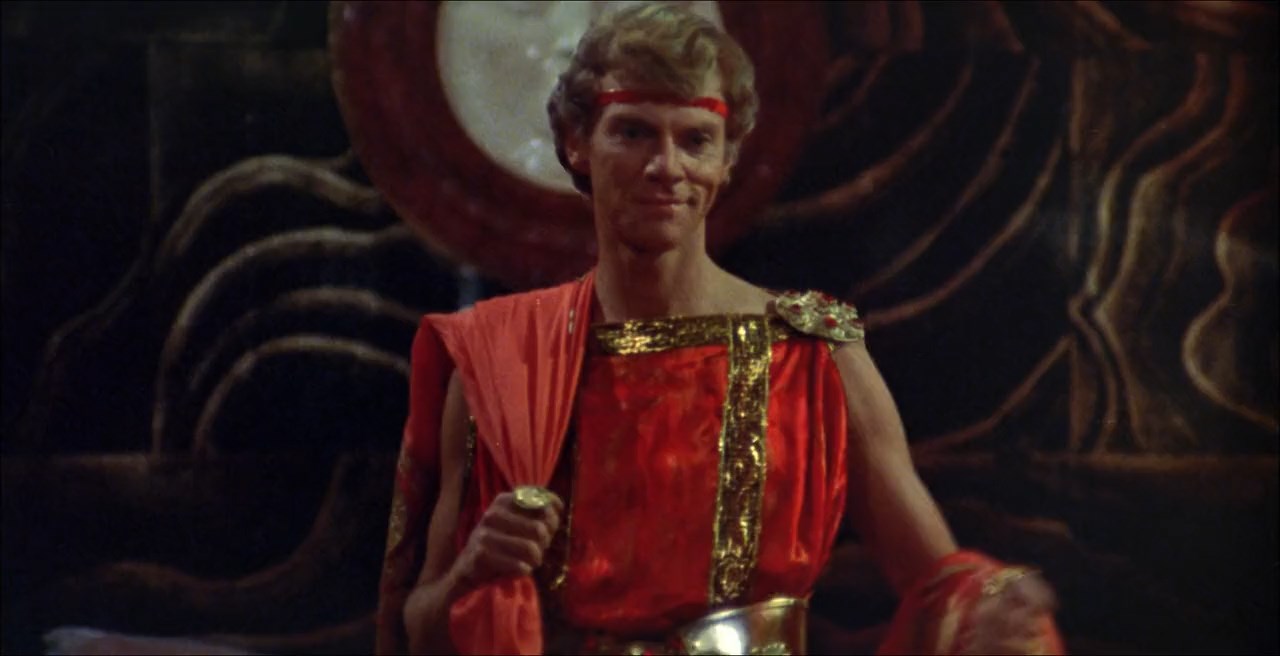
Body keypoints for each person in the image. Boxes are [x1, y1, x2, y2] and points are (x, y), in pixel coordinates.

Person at [376, 4, 1064, 655]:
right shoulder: (505, 368)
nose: (666, 167)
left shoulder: (814, 355)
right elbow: (420, 629)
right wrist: (474, 572)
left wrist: (993, 612)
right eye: (634, 132)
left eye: (695, 139)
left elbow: (940, 582)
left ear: (726, 161)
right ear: (577, 144)